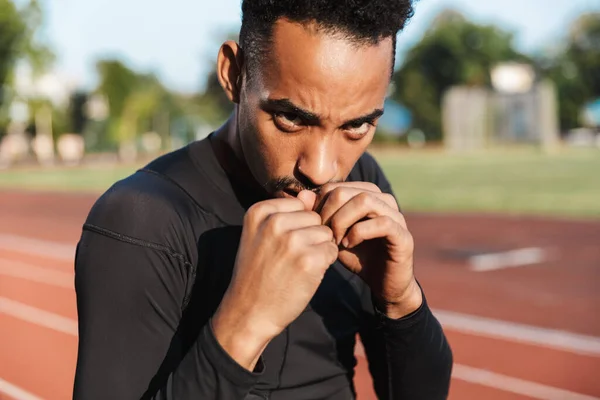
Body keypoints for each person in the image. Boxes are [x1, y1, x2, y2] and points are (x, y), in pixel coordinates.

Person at [72, 0, 453, 399]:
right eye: (291, 118)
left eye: (356, 126)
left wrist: (400, 302)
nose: (322, 170)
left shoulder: (361, 182)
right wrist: (243, 326)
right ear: (234, 74)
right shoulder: (141, 220)